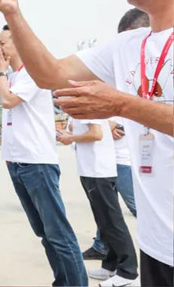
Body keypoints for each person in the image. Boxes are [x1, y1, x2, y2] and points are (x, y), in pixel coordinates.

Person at [0, 0, 173, 286]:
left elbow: (122, 106)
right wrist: (12, 12)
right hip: (157, 243)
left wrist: (123, 105)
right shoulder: (126, 46)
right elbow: (51, 74)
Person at [0, 25, 88, 286]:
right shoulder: (12, 77)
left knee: (59, 234)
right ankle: (62, 281)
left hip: (36, 164)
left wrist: (0, 72)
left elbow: (9, 101)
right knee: (44, 233)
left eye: (3, 43)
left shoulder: (32, 74)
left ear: (19, 44)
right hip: (18, 163)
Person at [84, 8, 146, 261]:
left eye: (131, 40)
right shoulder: (118, 78)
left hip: (125, 161)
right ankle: (102, 246)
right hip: (115, 160)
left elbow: (112, 127)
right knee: (107, 213)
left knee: (136, 208)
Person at [59, 114, 138, 286]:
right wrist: (70, 132)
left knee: (112, 222)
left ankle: (128, 272)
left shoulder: (87, 104)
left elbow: (96, 133)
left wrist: (71, 137)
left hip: (98, 170)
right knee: (104, 222)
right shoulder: (78, 106)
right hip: (89, 168)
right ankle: (110, 265)